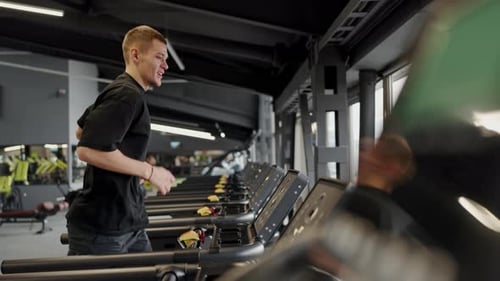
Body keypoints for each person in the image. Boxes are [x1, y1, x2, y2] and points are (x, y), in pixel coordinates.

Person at [66, 25, 176, 255]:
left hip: (128, 220)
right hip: (103, 227)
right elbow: (86, 149)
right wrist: (150, 172)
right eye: (159, 57)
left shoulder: (121, 90)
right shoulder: (126, 96)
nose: (166, 65)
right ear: (136, 55)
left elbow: (81, 131)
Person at [334, 134, 433, 245]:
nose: (363, 157)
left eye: (373, 154)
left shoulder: (366, 205)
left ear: (390, 168)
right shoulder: (396, 217)